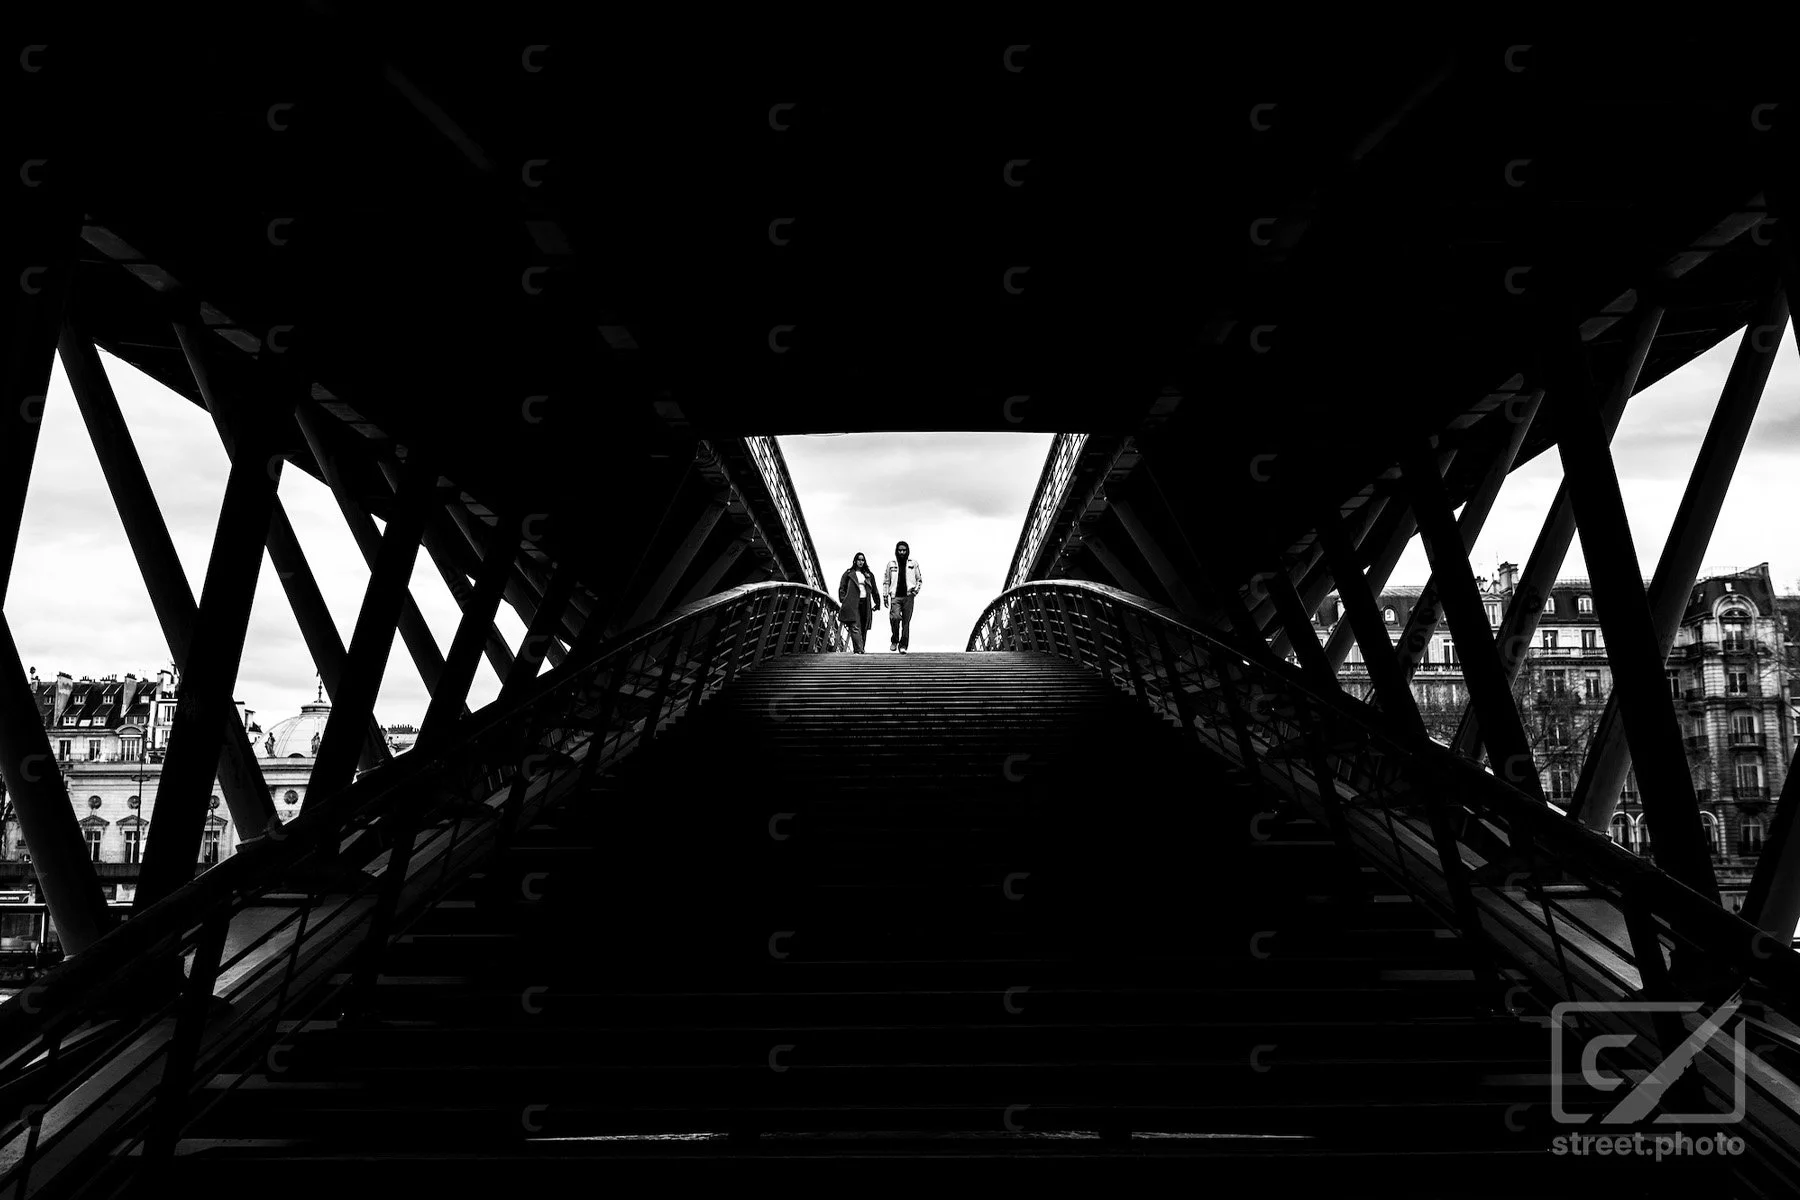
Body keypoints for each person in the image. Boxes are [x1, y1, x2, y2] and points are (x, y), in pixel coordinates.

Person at [837, 552, 882, 653]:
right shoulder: (849, 573)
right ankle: (859, 650)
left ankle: (860, 649)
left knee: (864, 626)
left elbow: (874, 589)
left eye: (862, 560)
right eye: (859, 560)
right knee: (855, 625)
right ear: (855, 561)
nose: (861, 562)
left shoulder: (868, 575)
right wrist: (843, 599)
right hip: (852, 602)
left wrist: (877, 602)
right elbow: (842, 586)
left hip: (865, 602)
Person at [884, 540, 922, 653]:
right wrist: (885, 596)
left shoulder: (913, 563)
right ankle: (895, 639)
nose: (902, 552)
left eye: (904, 550)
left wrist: (915, 591)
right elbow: (886, 581)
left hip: (909, 596)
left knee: (906, 622)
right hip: (895, 596)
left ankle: (903, 645)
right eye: (900, 550)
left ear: (907, 551)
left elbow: (919, 579)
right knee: (894, 618)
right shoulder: (891, 564)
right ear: (896, 551)